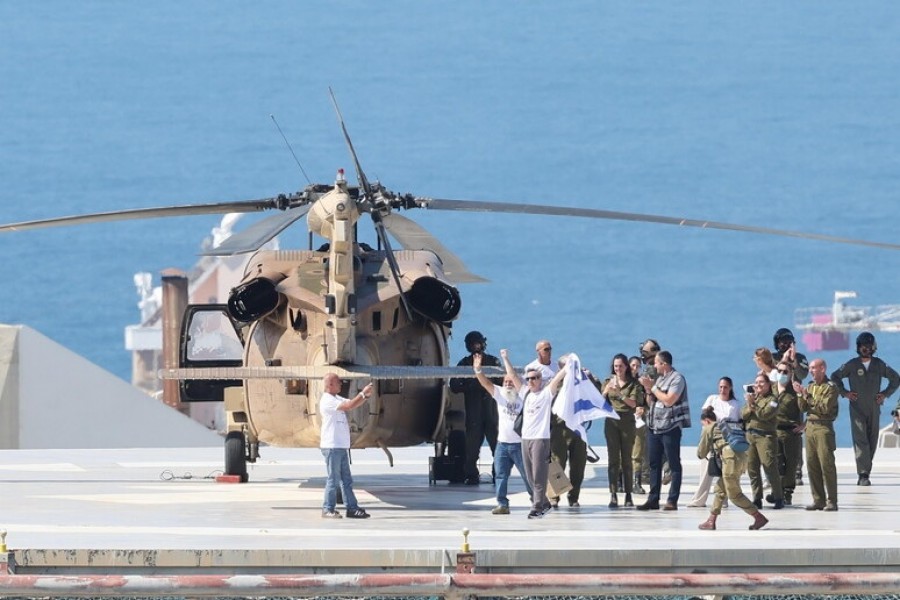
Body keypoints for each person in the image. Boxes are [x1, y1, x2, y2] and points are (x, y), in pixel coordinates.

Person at [501, 349, 567, 519]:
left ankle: (536, 506)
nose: (531, 381)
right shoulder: (526, 393)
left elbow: (558, 378)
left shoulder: (546, 394)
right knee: (530, 476)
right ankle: (544, 503)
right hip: (525, 439)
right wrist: (505, 358)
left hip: (540, 439)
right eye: (529, 378)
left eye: (534, 378)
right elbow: (512, 375)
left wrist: (569, 365)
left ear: (540, 380)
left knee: (539, 475)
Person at [830, 331, 900, 486]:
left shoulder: (879, 364)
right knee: (860, 439)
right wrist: (845, 393)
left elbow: (896, 379)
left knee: (872, 439)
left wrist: (885, 394)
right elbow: (835, 377)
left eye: (868, 347)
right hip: (857, 408)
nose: (866, 349)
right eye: (863, 347)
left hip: (874, 407)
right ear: (858, 347)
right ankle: (863, 474)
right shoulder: (852, 365)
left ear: (873, 347)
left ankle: (866, 470)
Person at [472, 352, 533, 514]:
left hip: (520, 445)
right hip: (502, 444)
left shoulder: (524, 396)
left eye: (510, 381)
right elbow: (485, 383)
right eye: (505, 381)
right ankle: (502, 504)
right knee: (500, 475)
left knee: (527, 475)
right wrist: (477, 370)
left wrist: (506, 359)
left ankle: (537, 500)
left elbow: (515, 377)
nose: (507, 384)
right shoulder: (500, 394)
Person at [696, 407, 768, 531]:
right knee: (720, 489)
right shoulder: (726, 426)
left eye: (703, 424)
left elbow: (701, 453)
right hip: (741, 458)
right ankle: (711, 520)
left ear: (706, 421)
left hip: (730, 459)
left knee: (734, 494)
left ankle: (758, 517)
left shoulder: (709, 428)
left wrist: (701, 452)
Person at [637, 350, 691, 511]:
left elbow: (669, 400)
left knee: (674, 464)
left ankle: (672, 500)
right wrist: (648, 390)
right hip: (654, 426)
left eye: (656, 363)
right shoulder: (659, 379)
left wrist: (653, 388)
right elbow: (651, 402)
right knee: (654, 464)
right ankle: (653, 498)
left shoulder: (677, 379)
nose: (654, 366)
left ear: (664, 364)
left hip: (670, 427)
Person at [449, 330, 502, 485]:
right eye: (473, 345)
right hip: (474, 413)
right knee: (471, 448)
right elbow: (454, 385)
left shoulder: (493, 362)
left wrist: (487, 384)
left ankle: (498, 473)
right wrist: (471, 386)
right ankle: (471, 475)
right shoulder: (464, 364)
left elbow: (501, 381)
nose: (476, 347)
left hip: (491, 412)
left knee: (497, 447)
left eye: (478, 344)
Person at [319, 373, 374, 519]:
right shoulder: (327, 400)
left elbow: (353, 403)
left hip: (340, 446)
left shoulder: (336, 398)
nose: (341, 384)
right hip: (332, 447)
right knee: (333, 480)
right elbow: (349, 406)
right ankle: (328, 509)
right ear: (330, 385)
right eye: (338, 382)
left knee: (346, 480)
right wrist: (363, 393)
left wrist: (365, 396)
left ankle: (352, 508)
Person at [598, 353, 645, 508]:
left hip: (627, 422)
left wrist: (619, 393)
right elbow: (599, 403)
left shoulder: (633, 383)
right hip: (611, 422)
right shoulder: (608, 381)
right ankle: (613, 494)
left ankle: (628, 494)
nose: (618, 369)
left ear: (626, 367)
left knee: (627, 459)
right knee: (613, 460)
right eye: (616, 366)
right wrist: (606, 392)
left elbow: (633, 403)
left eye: (621, 366)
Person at [687, 377, 741, 508]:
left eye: (725, 387)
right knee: (706, 470)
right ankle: (699, 500)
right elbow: (704, 418)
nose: (723, 389)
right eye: (721, 387)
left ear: (730, 388)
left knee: (724, 470)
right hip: (711, 437)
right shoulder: (712, 399)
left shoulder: (734, 404)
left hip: (725, 439)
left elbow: (737, 422)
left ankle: (723, 500)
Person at [794, 358, 839, 511]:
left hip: (823, 427)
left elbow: (824, 408)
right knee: (812, 464)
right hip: (810, 427)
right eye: (810, 368)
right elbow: (803, 408)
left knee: (826, 465)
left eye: (814, 368)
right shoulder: (810, 386)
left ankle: (832, 500)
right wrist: (800, 395)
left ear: (822, 369)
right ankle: (818, 499)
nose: (811, 371)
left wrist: (807, 397)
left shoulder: (831, 387)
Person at [548, 353, 588, 509]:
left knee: (578, 465)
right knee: (557, 464)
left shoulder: (582, 382)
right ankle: (554, 496)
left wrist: (588, 377)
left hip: (577, 429)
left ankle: (573, 497)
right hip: (560, 429)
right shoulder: (555, 383)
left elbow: (595, 393)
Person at [772, 327, 809, 486]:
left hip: (794, 400)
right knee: (775, 435)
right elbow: (771, 376)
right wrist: (783, 360)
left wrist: (793, 361)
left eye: (788, 342)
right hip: (776, 399)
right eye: (782, 342)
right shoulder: (773, 358)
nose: (786, 345)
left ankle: (797, 471)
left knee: (795, 434)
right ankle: (778, 470)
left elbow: (802, 374)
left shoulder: (800, 358)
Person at [741, 372, 783, 509]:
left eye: (761, 382)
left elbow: (764, 414)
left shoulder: (773, 400)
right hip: (751, 436)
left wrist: (752, 405)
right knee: (752, 468)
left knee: (769, 466)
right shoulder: (754, 397)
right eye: (756, 382)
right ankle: (757, 497)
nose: (758, 385)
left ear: (768, 385)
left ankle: (778, 497)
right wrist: (750, 404)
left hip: (765, 437)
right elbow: (743, 415)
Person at [769, 361, 803, 506]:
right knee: (775, 464)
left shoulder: (794, 391)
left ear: (791, 374)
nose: (782, 374)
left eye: (785, 372)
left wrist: (804, 425)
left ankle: (787, 493)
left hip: (790, 433)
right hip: (774, 431)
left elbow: (808, 407)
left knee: (790, 465)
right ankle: (777, 492)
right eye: (780, 371)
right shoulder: (771, 389)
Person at [632, 340, 660, 494]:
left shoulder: (653, 369)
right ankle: (642, 476)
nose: (643, 356)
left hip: (650, 413)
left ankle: (644, 476)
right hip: (646, 413)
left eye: (645, 353)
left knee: (643, 448)